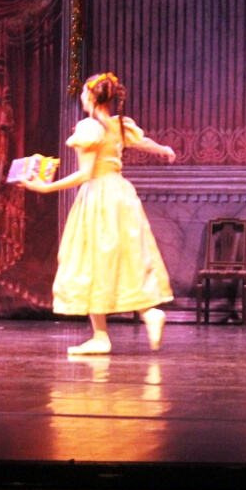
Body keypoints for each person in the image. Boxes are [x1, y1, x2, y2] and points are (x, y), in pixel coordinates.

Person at [19, 72, 175, 355]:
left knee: (91, 261)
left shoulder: (90, 127)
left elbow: (85, 173)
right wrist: (164, 150)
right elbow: (144, 142)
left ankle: (102, 335)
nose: (81, 97)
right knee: (125, 257)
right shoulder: (118, 125)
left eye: (83, 92)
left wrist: (46, 187)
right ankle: (148, 312)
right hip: (121, 194)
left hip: (99, 197)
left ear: (91, 96)